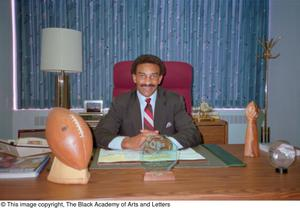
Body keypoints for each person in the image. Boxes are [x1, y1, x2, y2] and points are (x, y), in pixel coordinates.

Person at [94, 54, 202, 150]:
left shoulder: (174, 101)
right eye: (142, 76)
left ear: (160, 79)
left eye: (153, 76)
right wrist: (126, 142)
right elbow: (100, 133)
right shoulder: (121, 102)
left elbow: (193, 134)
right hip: (131, 161)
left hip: (164, 160)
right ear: (134, 78)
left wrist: (165, 142)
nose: (148, 82)